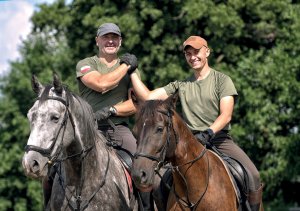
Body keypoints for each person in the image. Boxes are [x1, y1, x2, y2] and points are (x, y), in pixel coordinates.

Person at [130, 35, 263, 211]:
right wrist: (131, 71)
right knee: (160, 183)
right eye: (188, 54)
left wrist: (209, 132)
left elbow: (226, 115)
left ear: (207, 52)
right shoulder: (181, 85)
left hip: (218, 139)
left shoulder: (222, 80)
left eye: (197, 52)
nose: (193, 57)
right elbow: (147, 97)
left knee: (252, 174)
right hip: (188, 143)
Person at [75, 23, 154, 211]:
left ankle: (146, 206)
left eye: (115, 37)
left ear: (120, 41)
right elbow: (102, 84)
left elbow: (136, 103)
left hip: (118, 128)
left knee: (142, 165)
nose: (110, 41)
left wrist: (112, 110)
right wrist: (126, 65)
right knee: (56, 164)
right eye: (105, 37)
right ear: (97, 41)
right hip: (88, 129)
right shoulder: (86, 64)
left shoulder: (131, 70)